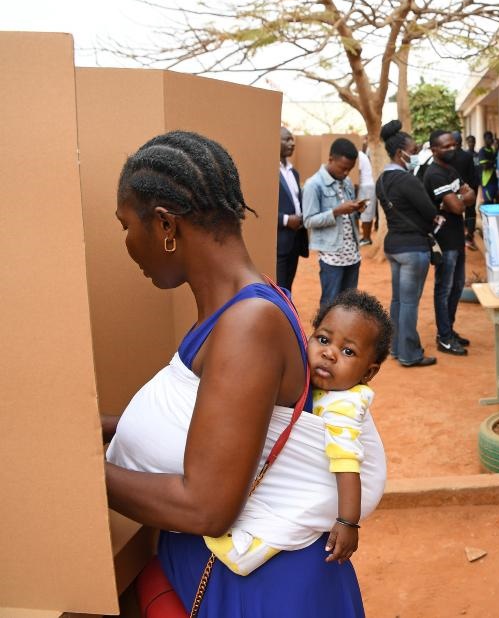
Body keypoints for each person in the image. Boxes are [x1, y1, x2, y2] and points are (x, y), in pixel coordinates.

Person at [104, 131, 382, 616]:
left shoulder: (247, 324)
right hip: (227, 575)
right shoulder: (237, 306)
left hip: (261, 593)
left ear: (166, 224)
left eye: (126, 225)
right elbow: (217, 422)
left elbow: (206, 507)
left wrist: (77, 474)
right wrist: (100, 429)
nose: (127, 242)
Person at [308, 290, 392, 569]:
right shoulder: (317, 385)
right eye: (323, 339)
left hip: (344, 500)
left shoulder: (343, 406)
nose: (329, 353)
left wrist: (347, 522)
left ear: (368, 373)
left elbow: (346, 465)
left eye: (348, 351)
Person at [376, 120, 440, 368]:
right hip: (413, 248)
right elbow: (429, 211)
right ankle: (410, 354)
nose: (416, 155)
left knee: (398, 300)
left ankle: (395, 347)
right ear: (400, 153)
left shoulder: (382, 180)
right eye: (413, 151)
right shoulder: (407, 180)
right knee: (409, 302)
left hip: (393, 246)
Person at [424, 129, 476, 355]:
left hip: (457, 237)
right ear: (434, 150)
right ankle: (443, 337)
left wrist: (458, 199)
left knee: (456, 286)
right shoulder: (435, 174)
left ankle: (449, 329)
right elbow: (456, 206)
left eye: (453, 145)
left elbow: (470, 197)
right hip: (444, 240)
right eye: (446, 146)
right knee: (444, 288)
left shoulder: (451, 170)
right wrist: (459, 200)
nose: (452, 149)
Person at [303, 138, 366, 310]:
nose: (346, 173)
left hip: (352, 254)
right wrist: (336, 211)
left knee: (350, 306)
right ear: (331, 159)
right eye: (343, 168)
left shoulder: (346, 182)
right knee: (330, 305)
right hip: (331, 257)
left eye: (350, 169)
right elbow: (308, 221)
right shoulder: (313, 185)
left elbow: (348, 217)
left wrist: (357, 209)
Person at [277, 127, 308, 291]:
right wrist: (286, 220)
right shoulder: (268, 171)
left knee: (288, 287)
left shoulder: (293, 172)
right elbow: (262, 209)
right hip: (279, 241)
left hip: (295, 239)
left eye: (292, 139)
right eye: (287, 139)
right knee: (279, 290)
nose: (292, 143)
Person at [451, 131, 480, 251]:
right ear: (461, 141)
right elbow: (472, 175)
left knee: (454, 212)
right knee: (470, 212)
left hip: (452, 190)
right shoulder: (467, 156)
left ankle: (456, 238)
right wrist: (472, 190)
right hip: (467, 189)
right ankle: (469, 237)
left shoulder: (448, 157)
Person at [354, 147, 375, 247]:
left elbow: (357, 174)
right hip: (368, 185)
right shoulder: (361, 154)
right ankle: (365, 237)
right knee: (367, 212)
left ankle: (366, 238)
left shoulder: (358, 155)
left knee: (366, 212)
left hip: (365, 186)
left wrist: (355, 192)